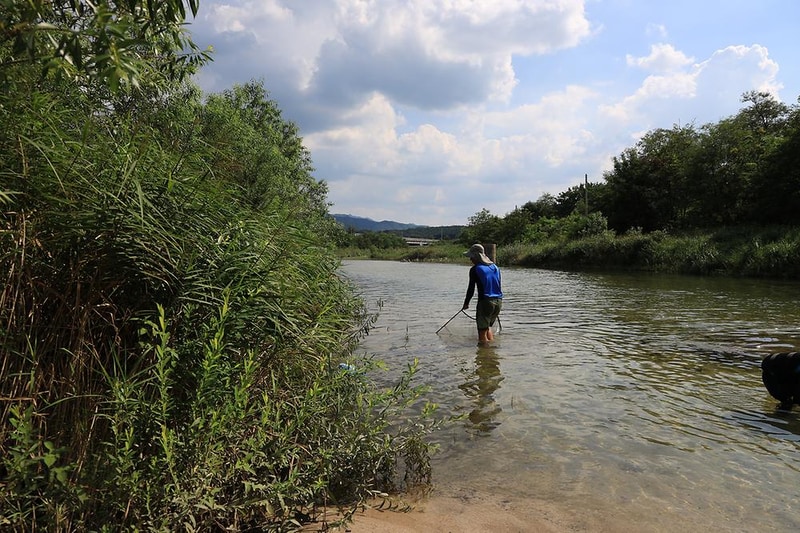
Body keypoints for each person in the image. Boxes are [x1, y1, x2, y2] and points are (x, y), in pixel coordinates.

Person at [462, 243, 503, 344]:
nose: (470, 259)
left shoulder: (475, 269)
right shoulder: (495, 267)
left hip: (485, 302)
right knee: (487, 327)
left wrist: (466, 303)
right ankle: (491, 353)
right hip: (498, 301)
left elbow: (471, 289)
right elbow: (498, 285)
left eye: (471, 257)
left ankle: (485, 356)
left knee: (481, 333)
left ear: (476, 256)